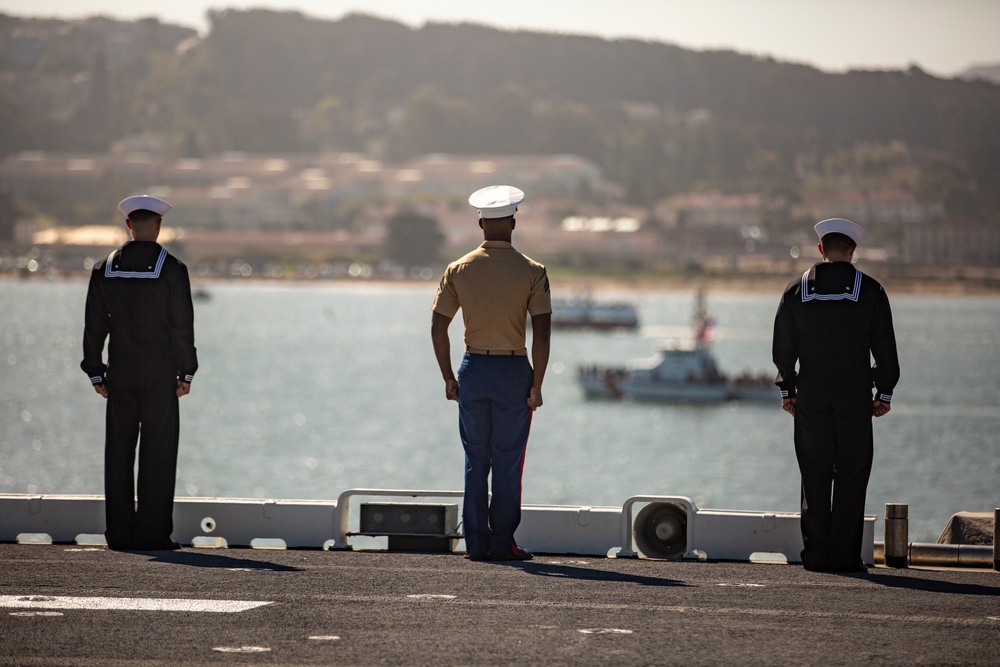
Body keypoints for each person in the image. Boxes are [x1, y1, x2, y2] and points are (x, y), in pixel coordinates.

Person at [431, 185, 552, 561]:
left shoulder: (458, 269)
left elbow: (438, 327)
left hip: (473, 369)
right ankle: (503, 543)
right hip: (513, 369)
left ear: (480, 222)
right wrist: (537, 385)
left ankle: (477, 545)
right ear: (513, 222)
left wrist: (448, 377)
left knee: (475, 461)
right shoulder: (533, 271)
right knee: (507, 461)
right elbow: (543, 333)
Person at [772, 218, 899, 573]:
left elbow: (784, 349)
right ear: (853, 251)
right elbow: (885, 349)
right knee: (852, 476)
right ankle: (844, 557)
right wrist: (883, 393)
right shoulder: (871, 291)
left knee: (814, 476)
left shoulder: (795, 291)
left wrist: (789, 390)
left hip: (810, 398)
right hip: (854, 397)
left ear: (820, 250)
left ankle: (816, 557)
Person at [81, 195, 198, 551]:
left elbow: (94, 326)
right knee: (158, 454)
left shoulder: (104, 269)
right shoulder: (174, 269)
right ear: (158, 226)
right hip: (160, 375)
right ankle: (152, 534)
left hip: (120, 375)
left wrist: (96, 372)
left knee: (118, 453)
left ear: (128, 225)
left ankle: (118, 534)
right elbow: (182, 327)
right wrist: (186, 372)